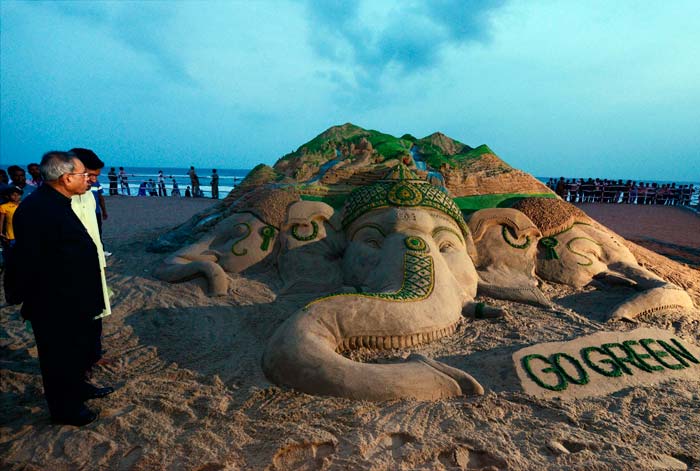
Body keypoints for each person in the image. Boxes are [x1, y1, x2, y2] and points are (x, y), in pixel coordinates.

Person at [12, 151, 114, 426]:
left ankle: (76, 392)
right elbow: (32, 261)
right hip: (56, 302)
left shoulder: (57, 203)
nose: (88, 181)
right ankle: (65, 410)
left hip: (73, 299)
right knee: (58, 358)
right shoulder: (39, 209)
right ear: (67, 178)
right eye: (84, 176)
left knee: (74, 353)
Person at [69, 148, 113, 372]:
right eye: (90, 176)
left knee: (97, 314)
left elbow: (95, 233)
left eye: (96, 176)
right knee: (78, 318)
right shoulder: (60, 202)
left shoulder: (88, 196)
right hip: (73, 272)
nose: (94, 181)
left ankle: (93, 354)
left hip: (94, 264)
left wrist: (101, 264)